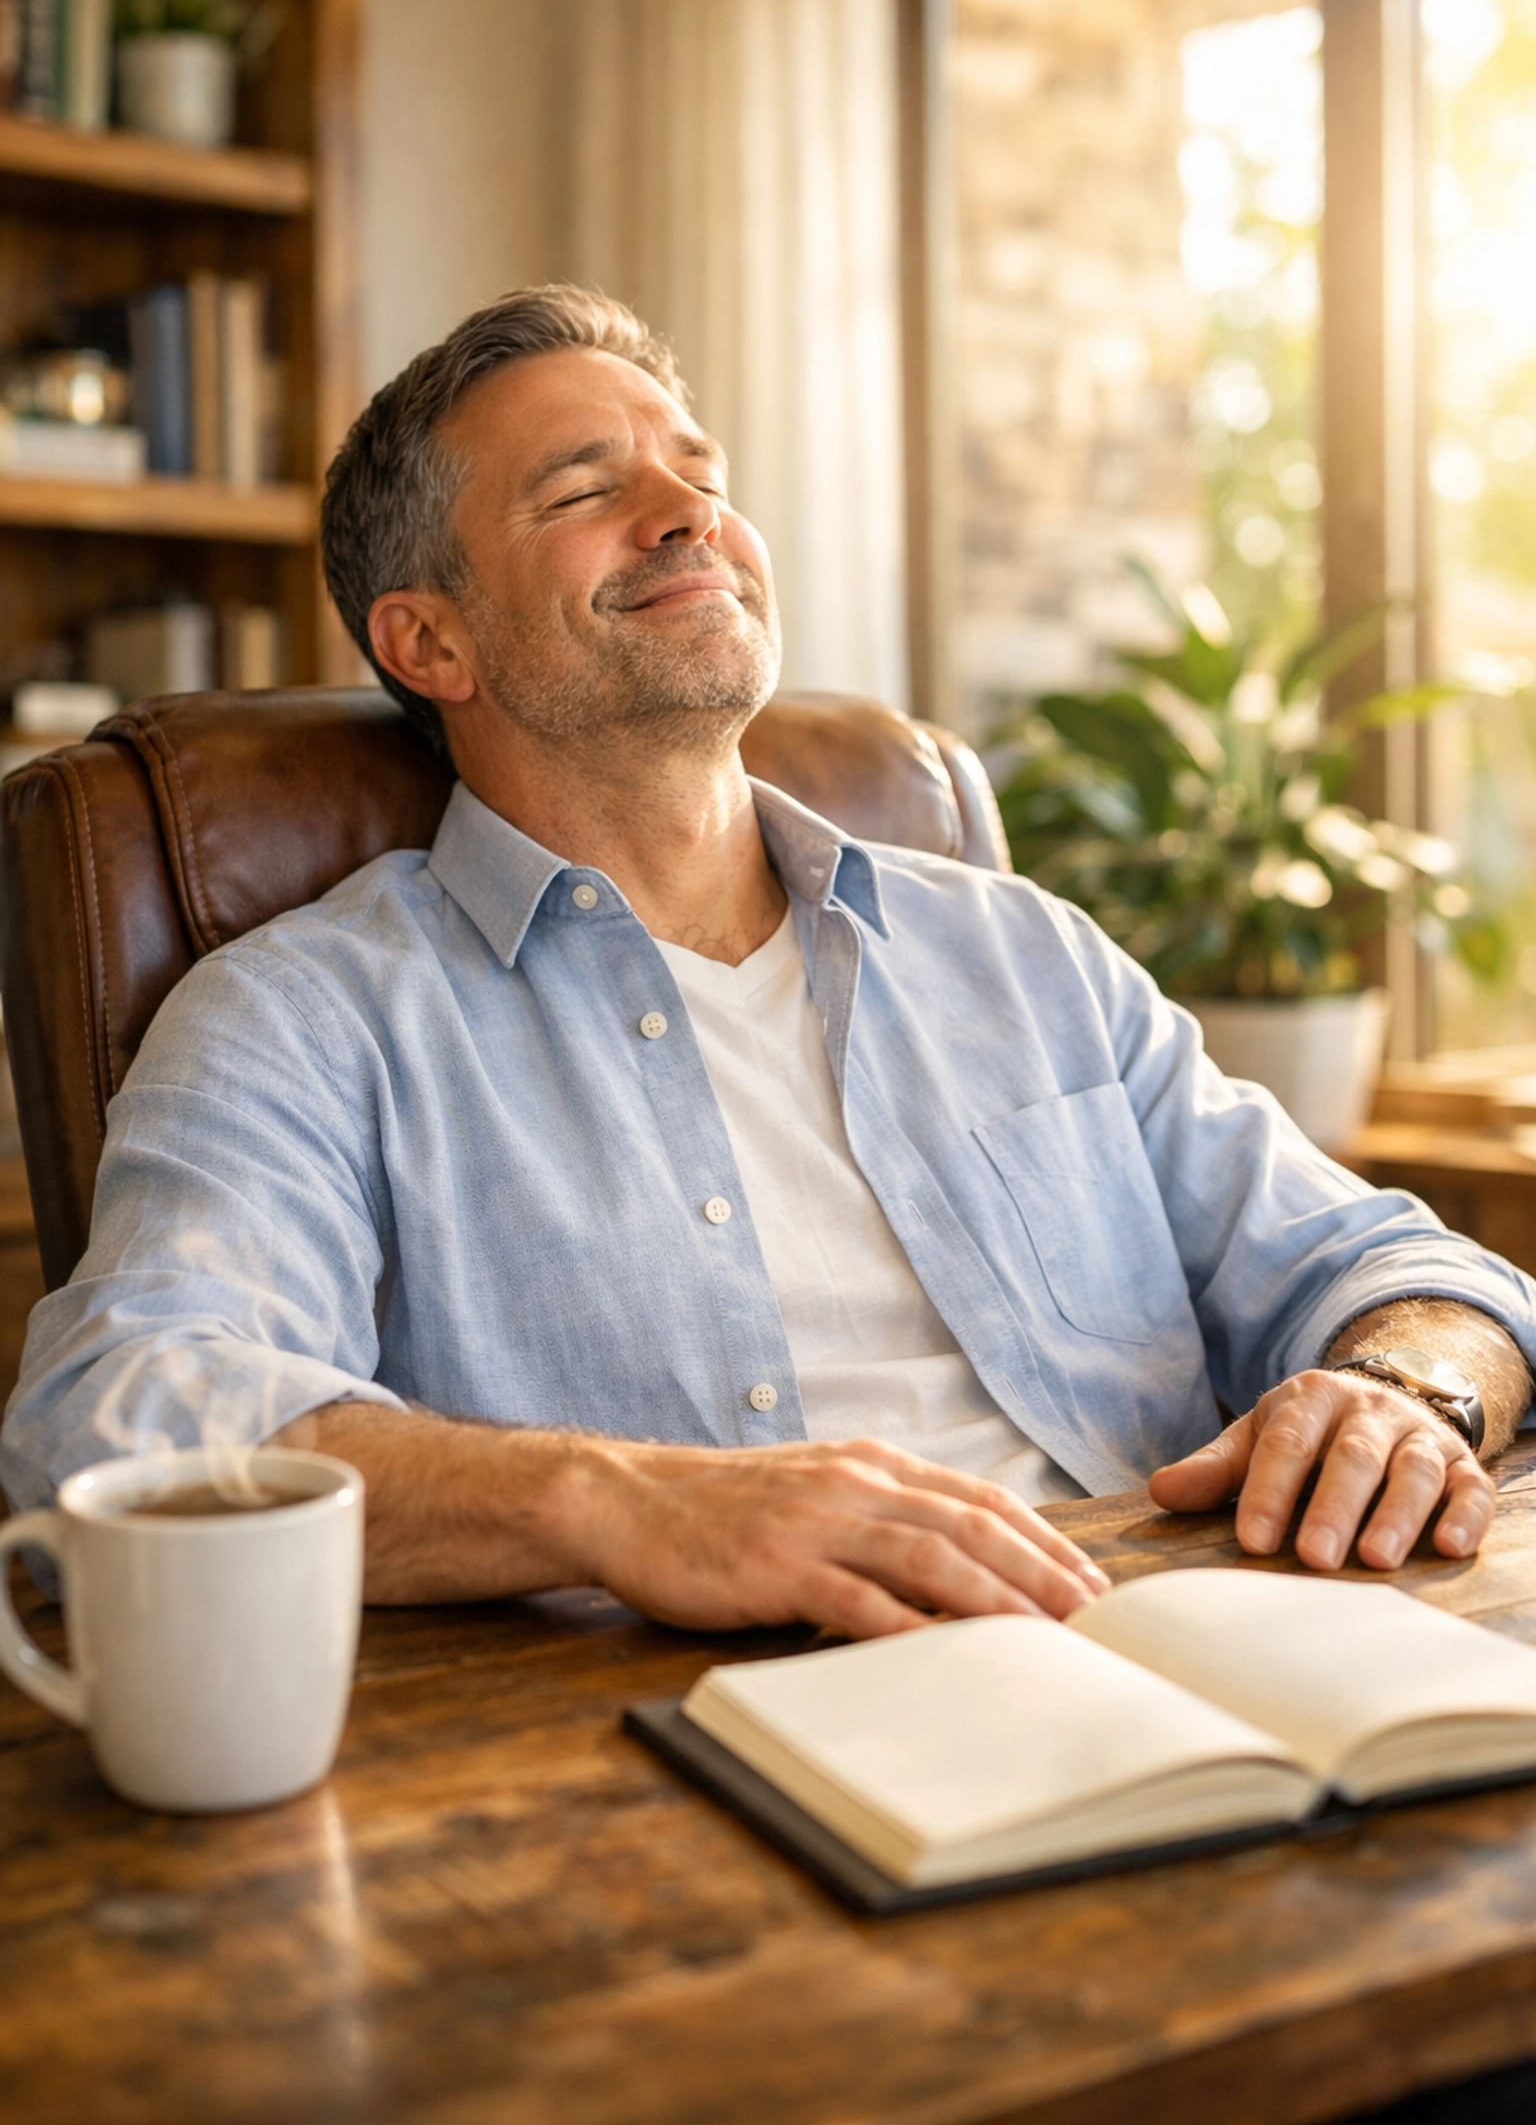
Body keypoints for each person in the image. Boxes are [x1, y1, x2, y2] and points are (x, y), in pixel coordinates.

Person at [4, 285, 1533, 1638]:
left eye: (703, 474)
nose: (690, 516)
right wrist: (622, 1506)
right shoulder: (303, 1017)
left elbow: (1406, 1271)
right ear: (431, 644)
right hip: (707, 1750)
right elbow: (116, 1421)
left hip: (1225, 1644)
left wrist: (1407, 1391)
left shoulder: (1022, 955)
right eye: (586, 489)